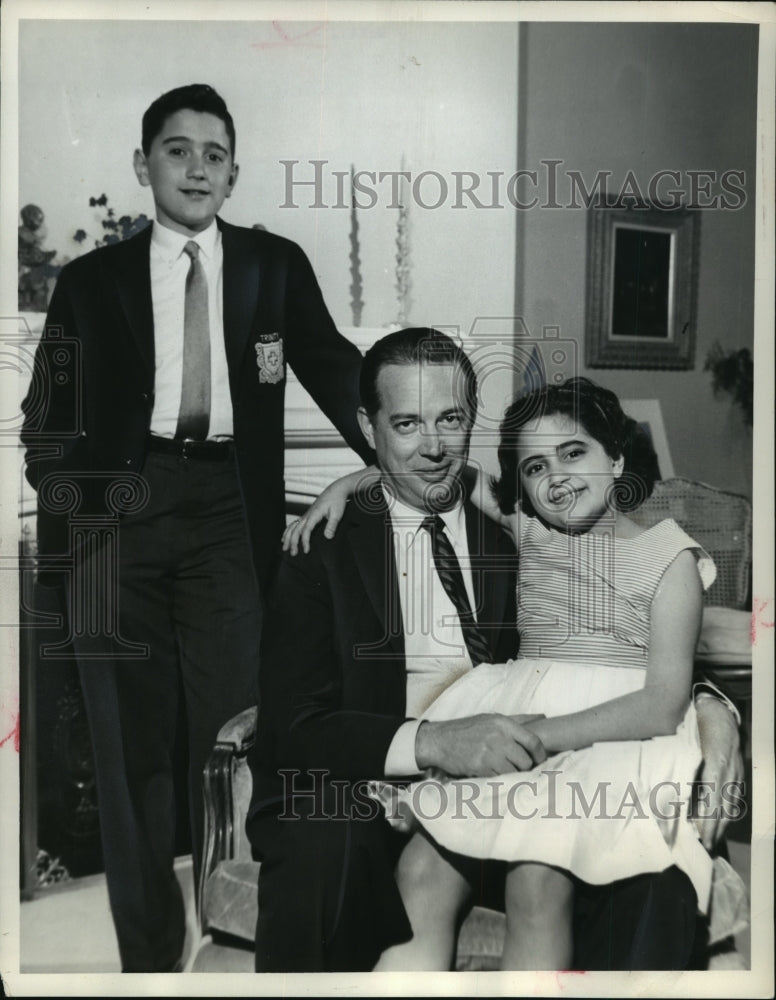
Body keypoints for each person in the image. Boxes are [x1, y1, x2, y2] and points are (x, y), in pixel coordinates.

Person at [248, 329, 743, 972]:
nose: (432, 446)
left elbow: (642, 662)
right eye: (406, 424)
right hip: (390, 779)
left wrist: (716, 711)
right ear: (369, 427)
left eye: (450, 420)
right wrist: (434, 744)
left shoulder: (516, 523)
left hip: (552, 758)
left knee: (651, 883)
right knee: (365, 860)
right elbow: (293, 726)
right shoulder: (323, 546)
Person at [20, 83, 372, 973]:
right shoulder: (90, 281)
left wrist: (399, 450)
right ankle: (148, 961)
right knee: (128, 749)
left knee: (239, 733)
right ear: (144, 166)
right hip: (116, 520)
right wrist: (82, 520)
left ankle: (242, 943)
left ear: (234, 173)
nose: (197, 168)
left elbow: (336, 369)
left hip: (226, 514)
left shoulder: (272, 265)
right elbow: (46, 423)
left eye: (216, 155)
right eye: (178, 151)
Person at [367, 376, 745, 970]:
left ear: (616, 458)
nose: (557, 477)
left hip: (615, 735)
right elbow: (432, 470)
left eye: (574, 453)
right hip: (518, 717)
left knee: (536, 880)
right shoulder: (531, 530)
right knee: (420, 868)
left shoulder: (669, 559)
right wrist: (347, 484)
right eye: (535, 467)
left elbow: (663, 702)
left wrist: (539, 737)